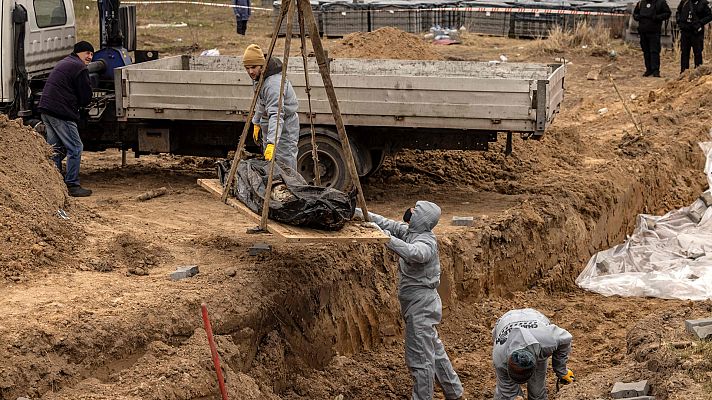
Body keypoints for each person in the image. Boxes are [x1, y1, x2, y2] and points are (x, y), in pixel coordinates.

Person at [355, 202, 465, 400]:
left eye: (416, 209)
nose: (411, 210)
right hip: (418, 302)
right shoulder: (410, 231)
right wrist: (357, 212)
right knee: (433, 349)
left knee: (420, 358)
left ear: (422, 219)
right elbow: (385, 222)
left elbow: (414, 253)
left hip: (421, 305)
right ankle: (454, 392)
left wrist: (384, 237)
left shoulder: (426, 242)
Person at [38, 41, 95, 197]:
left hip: (47, 109)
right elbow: (85, 95)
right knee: (75, 147)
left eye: (91, 54)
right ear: (78, 53)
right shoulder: (79, 67)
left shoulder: (66, 62)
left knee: (54, 149)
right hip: (60, 112)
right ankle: (72, 185)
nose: (89, 56)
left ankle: (54, 184)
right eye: (87, 53)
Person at [492, 308, 574, 400]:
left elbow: (566, 339)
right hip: (506, 320)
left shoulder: (547, 340)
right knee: (505, 395)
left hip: (534, 318)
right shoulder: (500, 360)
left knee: (537, 392)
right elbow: (507, 392)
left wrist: (561, 370)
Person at [243, 44, 299, 171]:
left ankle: (290, 189)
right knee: (271, 165)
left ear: (262, 66)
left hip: (284, 126)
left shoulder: (273, 84)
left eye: (253, 67)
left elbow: (277, 115)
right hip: (268, 123)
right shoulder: (259, 77)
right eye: (247, 68)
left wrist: (272, 143)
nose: (250, 71)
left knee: (285, 163)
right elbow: (261, 102)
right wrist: (256, 122)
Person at [633, 0, 671, 77]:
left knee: (654, 51)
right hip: (643, 31)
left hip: (654, 31)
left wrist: (657, 17)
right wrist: (637, 17)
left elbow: (668, 13)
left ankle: (655, 70)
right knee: (646, 51)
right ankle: (648, 69)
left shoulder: (660, 2)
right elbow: (635, 14)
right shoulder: (641, 3)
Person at [676, 0, 712, 72]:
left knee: (698, 52)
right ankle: (684, 72)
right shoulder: (684, 2)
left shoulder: (703, 3)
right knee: (684, 53)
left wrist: (700, 23)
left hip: (696, 32)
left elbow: (709, 16)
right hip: (685, 32)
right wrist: (679, 22)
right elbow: (678, 12)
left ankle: (698, 71)